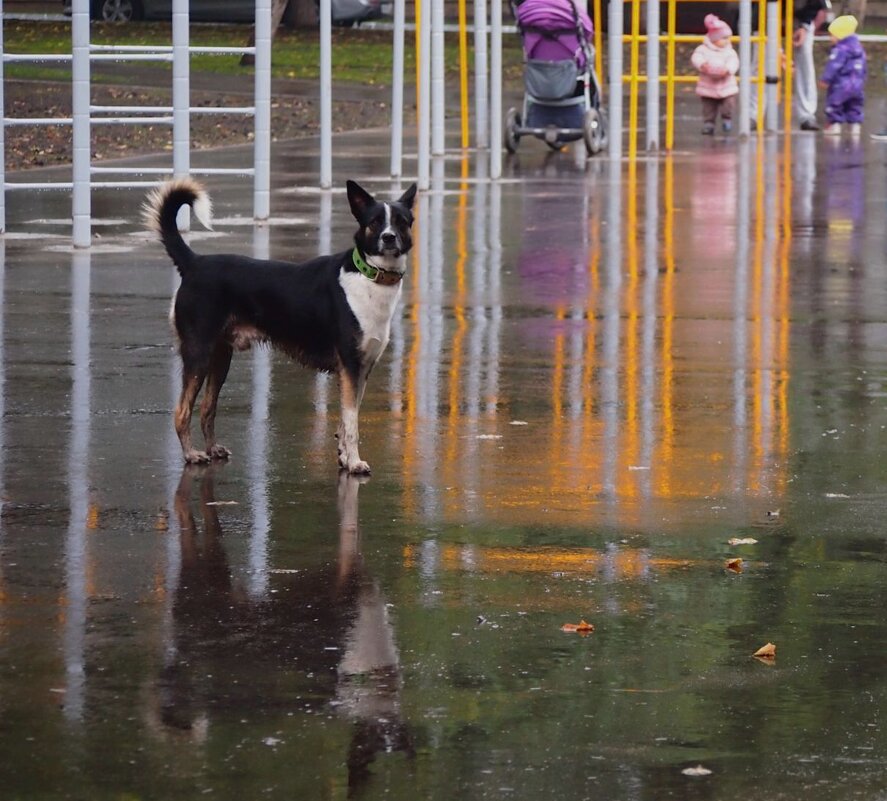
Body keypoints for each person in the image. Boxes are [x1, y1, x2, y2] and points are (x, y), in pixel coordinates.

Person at [691, 14, 739, 135]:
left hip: (726, 85)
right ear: (714, 38)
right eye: (723, 38)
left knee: (728, 104)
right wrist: (702, 65)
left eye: (728, 38)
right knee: (708, 106)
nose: (727, 41)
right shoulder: (703, 49)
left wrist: (728, 69)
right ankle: (709, 123)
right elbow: (696, 57)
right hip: (708, 85)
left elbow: (734, 61)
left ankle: (727, 119)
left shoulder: (729, 51)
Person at [820, 14, 866, 136]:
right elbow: (864, 68)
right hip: (857, 85)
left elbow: (833, 66)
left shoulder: (840, 50)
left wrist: (825, 79)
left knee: (835, 103)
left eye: (832, 35)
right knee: (855, 105)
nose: (830, 38)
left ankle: (835, 125)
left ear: (840, 35)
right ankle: (855, 126)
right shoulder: (859, 49)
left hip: (841, 84)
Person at [793, 0, 832, 131]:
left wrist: (804, 25)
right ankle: (752, 114)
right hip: (767, 14)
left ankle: (807, 115)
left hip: (801, 17)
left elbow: (818, 5)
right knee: (759, 61)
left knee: (805, 64)